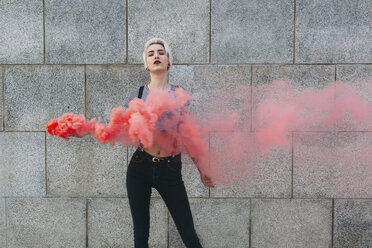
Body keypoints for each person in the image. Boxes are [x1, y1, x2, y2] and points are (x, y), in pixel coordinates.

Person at [124, 37, 214, 248]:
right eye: (151, 53)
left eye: (161, 53)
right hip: (140, 167)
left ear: (168, 62)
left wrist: (202, 168)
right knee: (140, 235)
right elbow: (118, 127)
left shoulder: (179, 94)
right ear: (146, 64)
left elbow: (188, 135)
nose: (156, 56)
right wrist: (86, 130)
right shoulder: (136, 94)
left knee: (189, 235)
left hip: (170, 170)